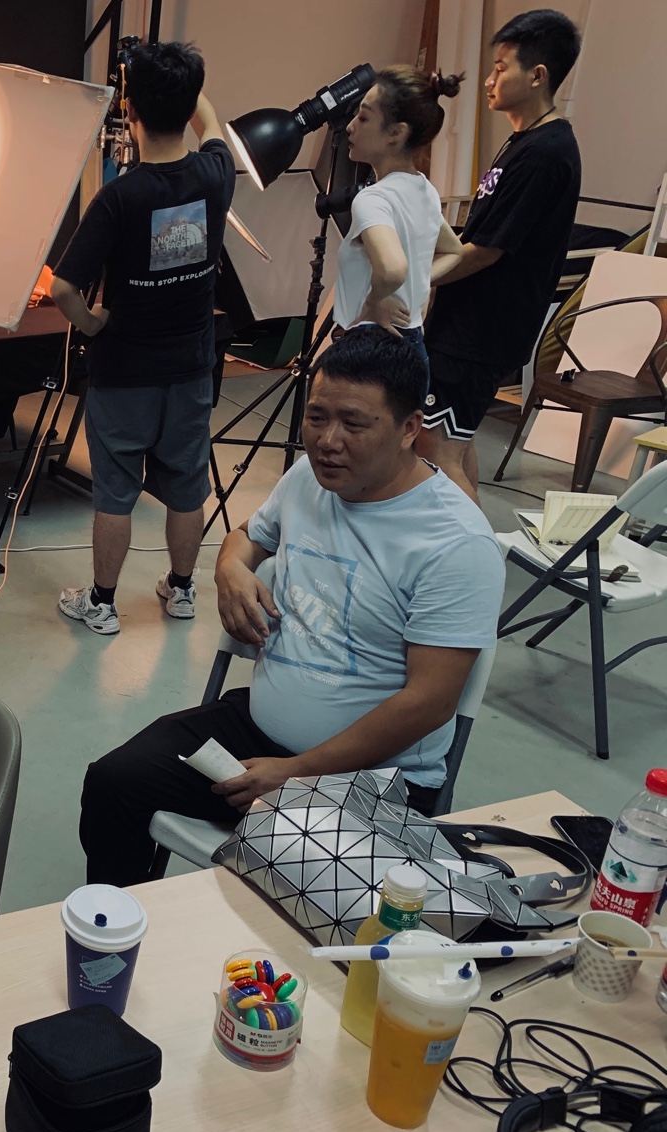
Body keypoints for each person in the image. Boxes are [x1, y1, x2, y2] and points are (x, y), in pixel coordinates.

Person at [78, 328, 504, 886]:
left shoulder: (455, 543)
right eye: (316, 417)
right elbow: (246, 537)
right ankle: (121, 928)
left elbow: (430, 702)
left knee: (291, 892)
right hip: (256, 735)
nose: (328, 441)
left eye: (353, 423)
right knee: (114, 782)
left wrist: (297, 772)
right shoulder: (309, 478)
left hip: (372, 778)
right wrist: (230, 570)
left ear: (409, 429)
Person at [50, 40, 235, 631]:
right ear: (186, 104)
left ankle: (103, 605)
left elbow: (62, 288)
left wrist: (92, 323)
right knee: (187, 485)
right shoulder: (216, 173)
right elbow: (211, 120)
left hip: (125, 370)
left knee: (115, 492)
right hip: (192, 367)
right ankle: (181, 591)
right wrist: (184, 87)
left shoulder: (119, 198)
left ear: (129, 111)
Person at [422, 9, 583, 501]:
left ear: (537, 75)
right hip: (468, 326)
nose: (489, 80)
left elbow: (484, 252)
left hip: (480, 331)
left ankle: (470, 546)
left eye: (500, 68)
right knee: (455, 441)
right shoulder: (524, 142)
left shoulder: (545, 153)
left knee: (436, 449)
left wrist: (413, 279)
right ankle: (469, 543)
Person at [333, 67, 467, 370]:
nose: (350, 127)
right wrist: (419, 283)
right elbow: (454, 251)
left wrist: (374, 302)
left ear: (396, 133)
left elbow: (393, 270)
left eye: (363, 118)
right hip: (411, 345)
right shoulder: (425, 189)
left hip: (371, 348)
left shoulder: (373, 199)